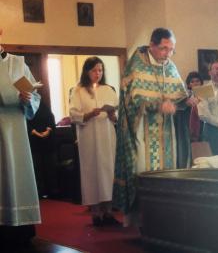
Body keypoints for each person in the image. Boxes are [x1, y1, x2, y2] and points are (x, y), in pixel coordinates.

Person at [113, 28, 194, 225]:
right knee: (144, 171)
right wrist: (158, 105)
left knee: (170, 172)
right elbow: (135, 98)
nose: (168, 54)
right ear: (152, 45)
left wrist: (187, 101)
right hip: (143, 130)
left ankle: (167, 218)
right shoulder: (137, 63)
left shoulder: (171, 66)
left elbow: (179, 96)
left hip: (168, 133)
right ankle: (145, 220)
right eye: (164, 48)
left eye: (172, 50)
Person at [0, 29, 41, 245]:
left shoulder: (17, 64)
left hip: (15, 128)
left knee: (15, 175)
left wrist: (28, 98)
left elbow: (34, 95)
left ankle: (19, 229)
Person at [69, 56, 119, 227]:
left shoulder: (108, 90)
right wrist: (90, 114)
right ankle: (96, 213)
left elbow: (115, 116)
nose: (98, 73)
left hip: (106, 136)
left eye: (100, 70)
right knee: (92, 172)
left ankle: (109, 212)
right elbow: (73, 114)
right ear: (86, 71)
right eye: (94, 70)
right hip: (88, 136)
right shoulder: (78, 91)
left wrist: (112, 114)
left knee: (108, 171)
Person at [27, 101, 59, 198]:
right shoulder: (26, 106)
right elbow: (25, 121)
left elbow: (50, 117)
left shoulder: (42, 104)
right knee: (36, 168)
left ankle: (53, 191)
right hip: (33, 141)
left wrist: (48, 131)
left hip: (47, 142)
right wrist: (36, 133)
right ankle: (39, 192)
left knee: (51, 167)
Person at [174, 71, 203, 168]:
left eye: (197, 81)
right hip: (187, 126)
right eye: (192, 81)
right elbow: (178, 107)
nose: (195, 83)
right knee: (188, 152)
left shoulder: (206, 94)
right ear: (188, 84)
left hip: (203, 126)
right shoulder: (184, 95)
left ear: (201, 82)